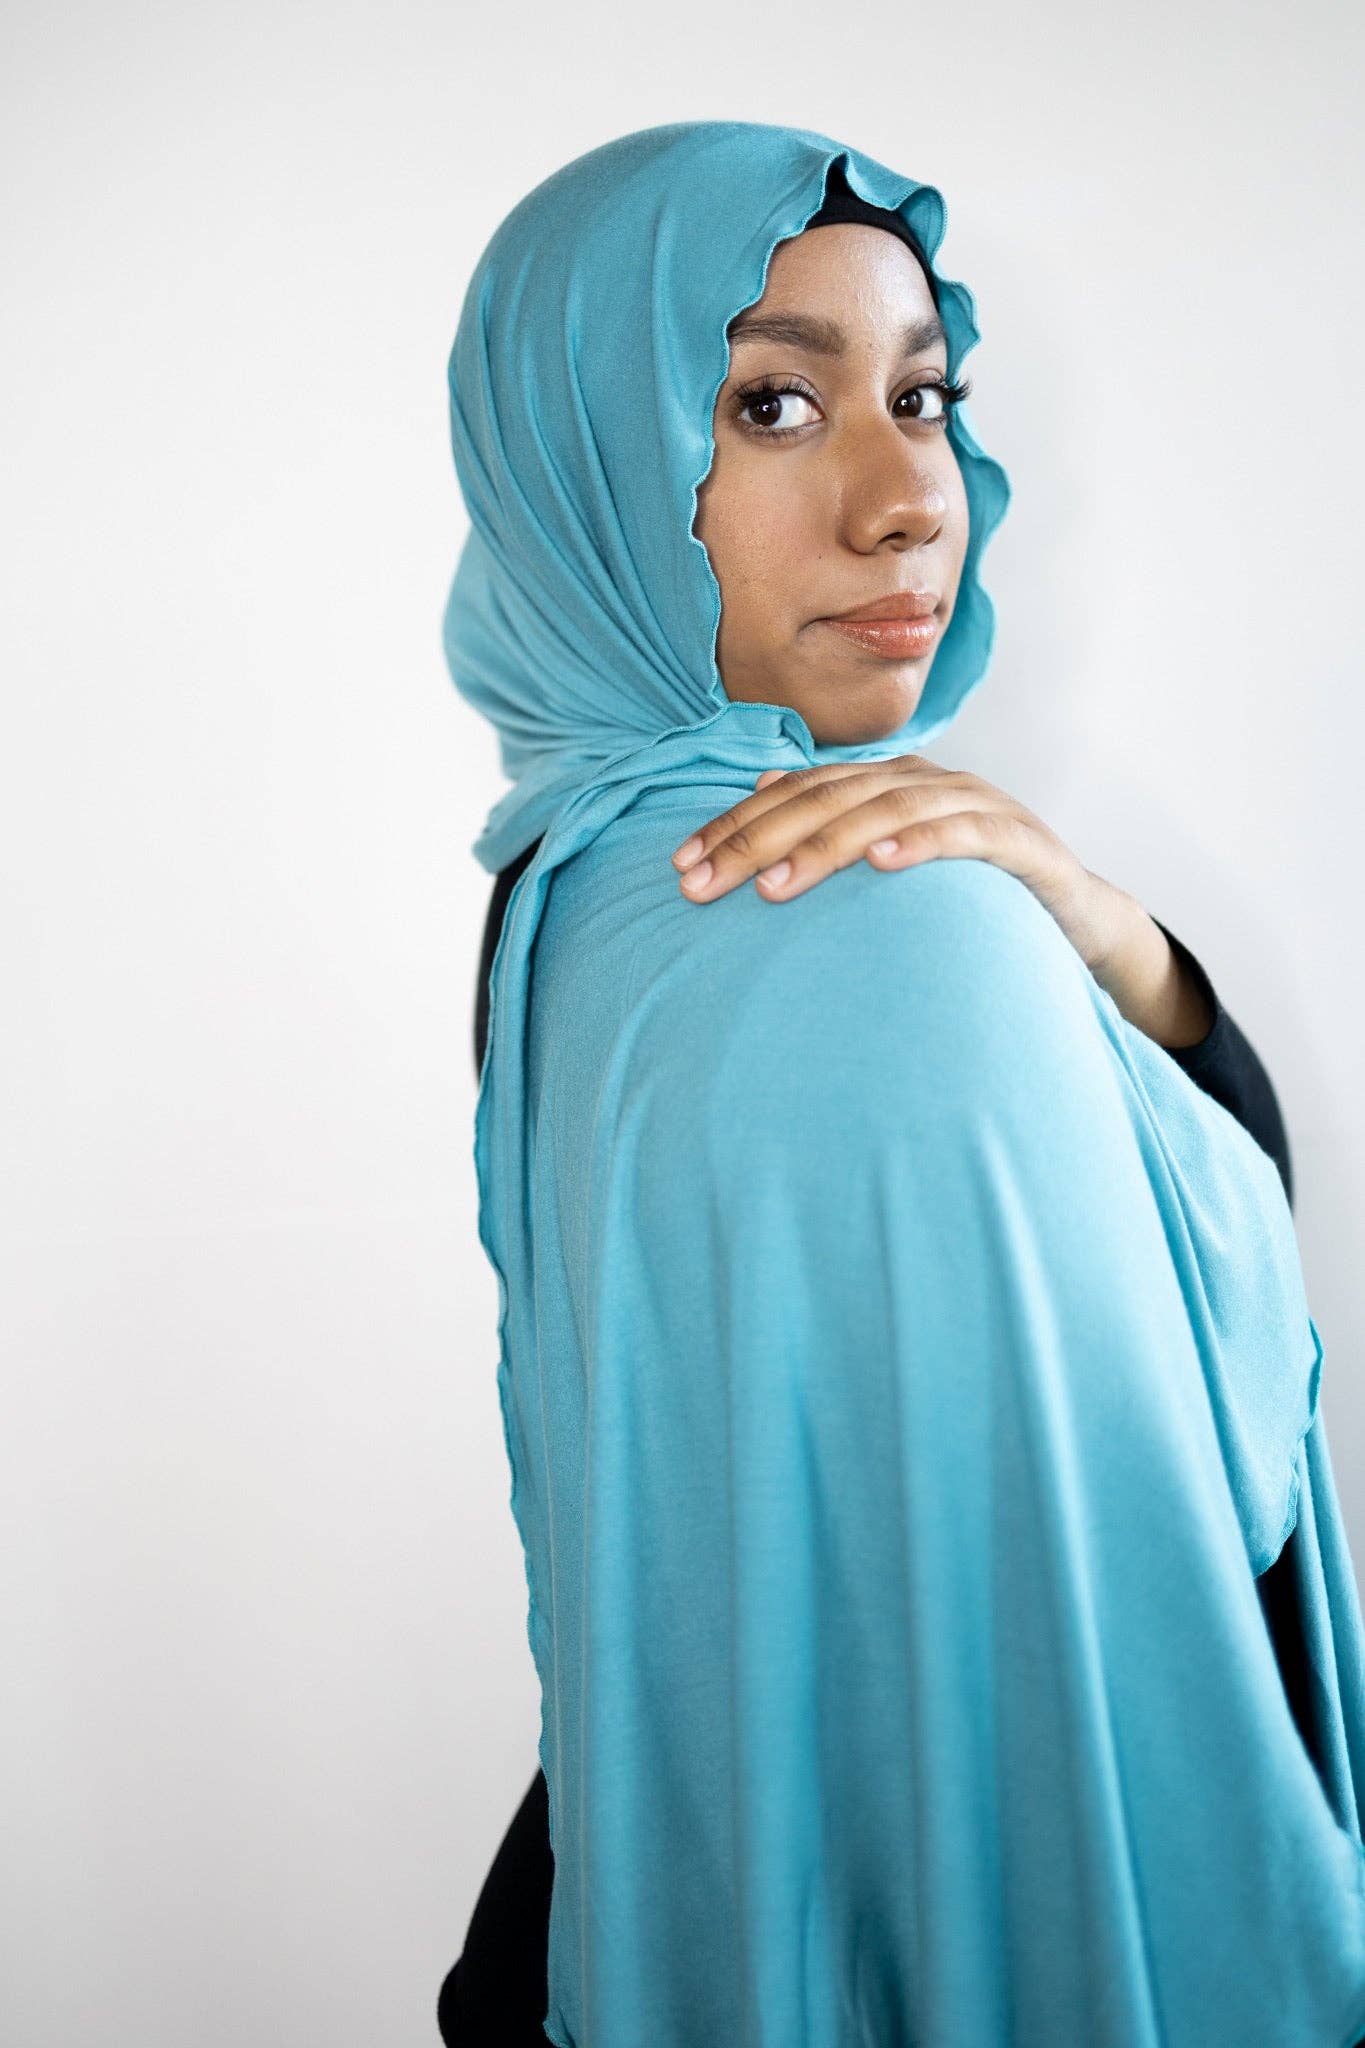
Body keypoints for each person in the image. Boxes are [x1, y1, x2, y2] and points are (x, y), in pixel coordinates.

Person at [437, 123, 1365, 2046]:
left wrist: (1107, 936)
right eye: (773, 403)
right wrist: (1017, 940)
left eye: (922, 399)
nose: (908, 503)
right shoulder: (871, 922)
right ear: (582, 456)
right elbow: (1143, 1628)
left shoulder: (576, 875)